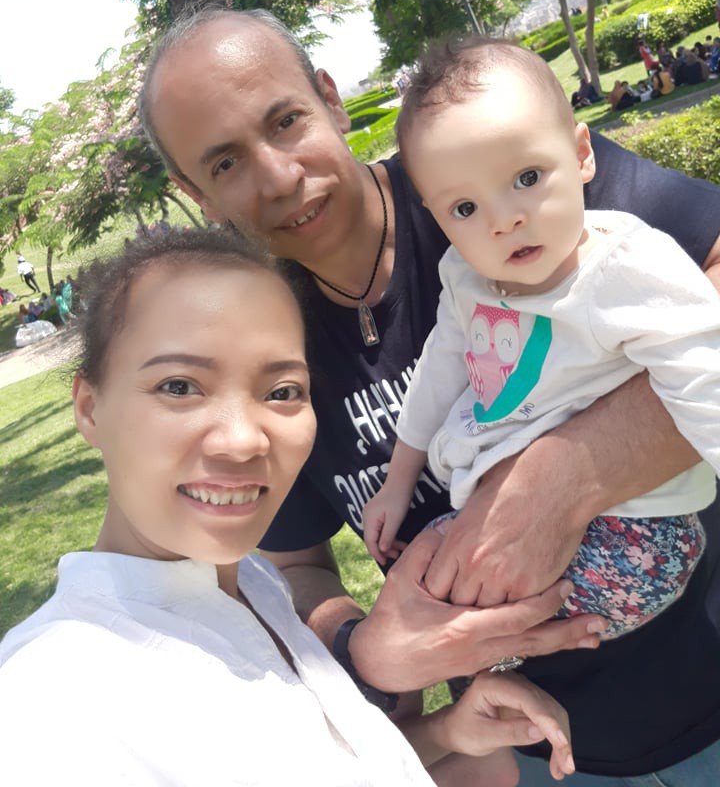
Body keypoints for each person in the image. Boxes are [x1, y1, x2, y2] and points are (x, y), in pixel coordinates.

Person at [139, 8, 720, 785]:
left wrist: (565, 475)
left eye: (285, 122)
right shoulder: (256, 351)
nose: (278, 177)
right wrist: (366, 647)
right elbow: (299, 565)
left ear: (331, 99)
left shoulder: (484, 162)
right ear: (194, 193)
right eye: (224, 163)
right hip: (545, 751)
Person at [0, 229, 576, 786]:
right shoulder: (51, 703)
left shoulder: (250, 582)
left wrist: (447, 732)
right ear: (90, 408)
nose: (242, 440)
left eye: (282, 392)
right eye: (179, 386)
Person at [362, 37, 718, 652]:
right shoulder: (466, 279)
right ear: (436, 217)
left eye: (527, 178)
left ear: (582, 155)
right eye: (465, 207)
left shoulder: (623, 268)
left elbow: (705, 377)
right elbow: (437, 374)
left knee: (461, 601)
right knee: (427, 575)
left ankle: (507, 651)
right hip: (499, 508)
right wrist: (397, 483)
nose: (504, 220)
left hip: (637, 526)